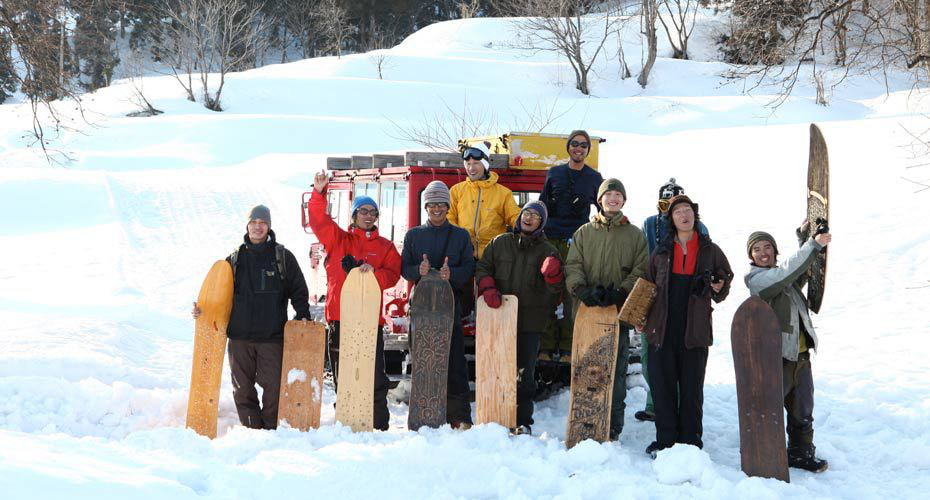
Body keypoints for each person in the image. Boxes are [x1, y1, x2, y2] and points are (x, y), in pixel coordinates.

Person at [192, 205, 311, 430]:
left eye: (262, 223)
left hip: (271, 337)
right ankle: (251, 429)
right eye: (253, 222)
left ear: (269, 226)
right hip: (240, 338)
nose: (258, 227)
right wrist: (203, 311)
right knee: (242, 388)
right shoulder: (234, 260)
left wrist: (302, 313)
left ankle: (269, 429)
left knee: (274, 387)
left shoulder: (283, 257)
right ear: (247, 225)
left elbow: (298, 289)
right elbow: (218, 295)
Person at [305, 171, 402, 431]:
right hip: (340, 318)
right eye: (363, 211)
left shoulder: (385, 247)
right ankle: (346, 425)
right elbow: (318, 221)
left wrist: (372, 275)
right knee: (344, 377)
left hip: (370, 321)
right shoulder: (338, 240)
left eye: (373, 212)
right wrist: (319, 193)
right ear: (354, 215)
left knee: (374, 378)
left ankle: (379, 426)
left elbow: (393, 274)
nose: (368, 216)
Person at [640, 195, 732, 457]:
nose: (684, 215)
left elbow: (724, 281)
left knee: (691, 388)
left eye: (688, 210)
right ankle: (666, 441)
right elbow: (647, 286)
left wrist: (719, 285)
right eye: (678, 211)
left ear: (695, 216)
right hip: (662, 327)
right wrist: (641, 318)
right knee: (663, 386)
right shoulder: (661, 251)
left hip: (695, 329)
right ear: (671, 219)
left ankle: (691, 442)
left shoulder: (709, 249)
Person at [745, 220, 832, 472]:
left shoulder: (786, 279)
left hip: (800, 355)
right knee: (767, 409)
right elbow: (785, 272)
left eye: (767, 247)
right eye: (757, 249)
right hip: (776, 357)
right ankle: (760, 453)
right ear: (751, 256)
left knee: (802, 409)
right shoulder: (758, 281)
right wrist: (813, 244)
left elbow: (797, 270)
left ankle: (801, 454)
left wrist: (803, 237)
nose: (763, 253)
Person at [565, 178, 648, 440]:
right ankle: (584, 420)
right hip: (587, 314)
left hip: (618, 313)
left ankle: (612, 425)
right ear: (599, 200)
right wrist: (581, 289)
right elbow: (573, 264)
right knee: (586, 368)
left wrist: (622, 291)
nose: (613, 198)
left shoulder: (635, 235)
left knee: (616, 370)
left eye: (618, 195)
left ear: (623, 200)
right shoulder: (584, 232)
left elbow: (641, 268)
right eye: (608, 194)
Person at [475, 201, 564, 435]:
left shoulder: (548, 251)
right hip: (498, 317)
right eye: (527, 213)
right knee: (496, 368)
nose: (529, 218)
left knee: (525, 375)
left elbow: (557, 292)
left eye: (535, 215)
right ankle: (494, 417)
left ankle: (522, 420)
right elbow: (483, 268)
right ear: (519, 217)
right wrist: (487, 289)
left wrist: (553, 275)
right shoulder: (500, 243)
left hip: (530, 322)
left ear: (541, 223)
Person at [400, 180, 475, 428]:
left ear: (448, 206)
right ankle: (425, 415)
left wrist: (451, 274)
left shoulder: (461, 236)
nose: (436, 208)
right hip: (421, 310)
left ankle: (459, 417)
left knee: (454, 363)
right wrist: (417, 270)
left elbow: (469, 269)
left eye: (441, 203)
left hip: (449, 310)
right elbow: (404, 269)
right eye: (431, 204)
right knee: (423, 361)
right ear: (425, 207)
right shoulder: (413, 235)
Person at [636, 178, 710, 422]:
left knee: (682, 363)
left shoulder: (699, 228)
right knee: (651, 359)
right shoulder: (650, 224)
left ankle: (674, 410)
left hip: (685, 301)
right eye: (665, 202)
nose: (672, 207)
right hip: (655, 298)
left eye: (678, 203)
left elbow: (707, 261)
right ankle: (656, 403)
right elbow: (643, 262)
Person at [538, 130, 604, 361]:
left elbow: (603, 208)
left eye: (583, 145)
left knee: (572, 294)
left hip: (578, 240)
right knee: (547, 291)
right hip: (550, 240)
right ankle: (545, 347)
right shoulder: (554, 173)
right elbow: (542, 204)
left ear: (588, 150)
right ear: (568, 147)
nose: (578, 148)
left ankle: (567, 347)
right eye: (574, 144)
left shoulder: (595, 178)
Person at [448, 141, 521, 260]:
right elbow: (449, 218)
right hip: (463, 255)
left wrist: (525, 224)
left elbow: (514, 216)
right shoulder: (456, 191)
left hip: (492, 257)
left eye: (476, 163)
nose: (471, 168)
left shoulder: (503, 193)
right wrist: (459, 240)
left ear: (485, 165)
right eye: (468, 163)